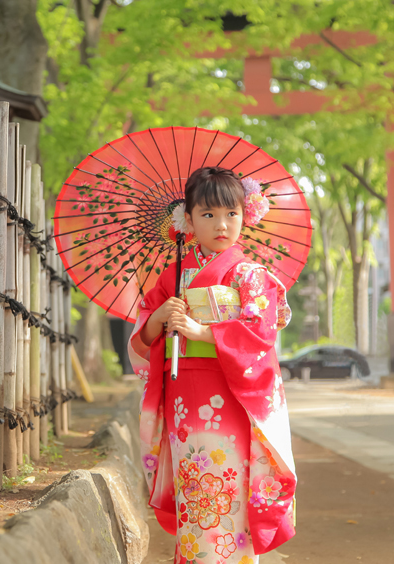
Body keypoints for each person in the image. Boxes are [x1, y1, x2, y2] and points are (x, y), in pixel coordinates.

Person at [128, 166, 296, 564]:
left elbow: (260, 336)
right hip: (183, 398)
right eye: (208, 215)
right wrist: (159, 318)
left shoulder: (251, 276)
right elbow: (143, 339)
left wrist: (201, 331)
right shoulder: (172, 277)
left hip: (230, 395)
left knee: (225, 488)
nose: (222, 225)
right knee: (195, 491)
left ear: (245, 215)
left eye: (231, 214)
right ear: (187, 219)